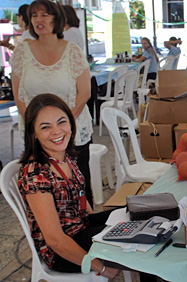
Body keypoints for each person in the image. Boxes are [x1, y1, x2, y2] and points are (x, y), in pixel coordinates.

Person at [18, 94, 119, 278]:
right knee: (136, 240)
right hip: (62, 252)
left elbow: (81, 199)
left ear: (71, 124)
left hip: (81, 228)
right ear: (34, 133)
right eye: (45, 127)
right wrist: (100, 266)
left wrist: (103, 224)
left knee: (132, 215)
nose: (57, 131)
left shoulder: (66, 157)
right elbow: (55, 241)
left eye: (61, 122)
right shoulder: (35, 173)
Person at [10, 0, 94, 207]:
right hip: (38, 133)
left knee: (79, 186)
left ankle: (87, 231)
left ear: (55, 19)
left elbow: (84, 93)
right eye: (34, 15)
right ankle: (50, 231)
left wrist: (63, 127)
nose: (39, 20)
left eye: (45, 15)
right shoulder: (22, 52)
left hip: (73, 130)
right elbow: (19, 96)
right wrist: (36, 128)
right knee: (43, 187)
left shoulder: (72, 51)